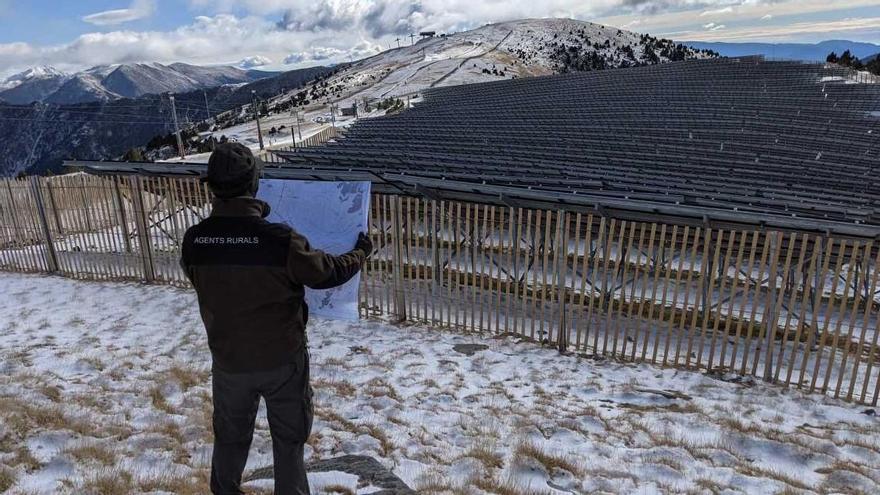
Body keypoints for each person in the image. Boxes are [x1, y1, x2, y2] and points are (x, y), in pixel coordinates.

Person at [180, 142, 373, 495]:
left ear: (211, 186)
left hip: (228, 360)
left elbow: (203, 282)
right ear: (254, 183)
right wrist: (360, 252)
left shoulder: (194, 241)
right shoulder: (278, 240)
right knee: (288, 441)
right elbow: (326, 274)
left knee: (230, 439)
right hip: (282, 359)